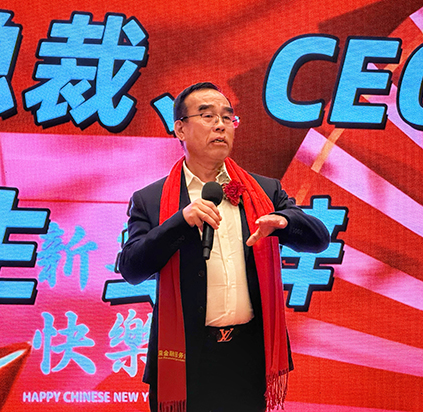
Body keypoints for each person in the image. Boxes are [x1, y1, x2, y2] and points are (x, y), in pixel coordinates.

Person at [118, 82, 329, 412]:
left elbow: (319, 239)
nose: (220, 125)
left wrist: (284, 222)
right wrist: (180, 221)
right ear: (180, 129)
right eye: (207, 116)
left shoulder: (264, 191)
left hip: (248, 358)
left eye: (227, 117)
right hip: (185, 357)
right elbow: (131, 268)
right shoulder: (150, 199)